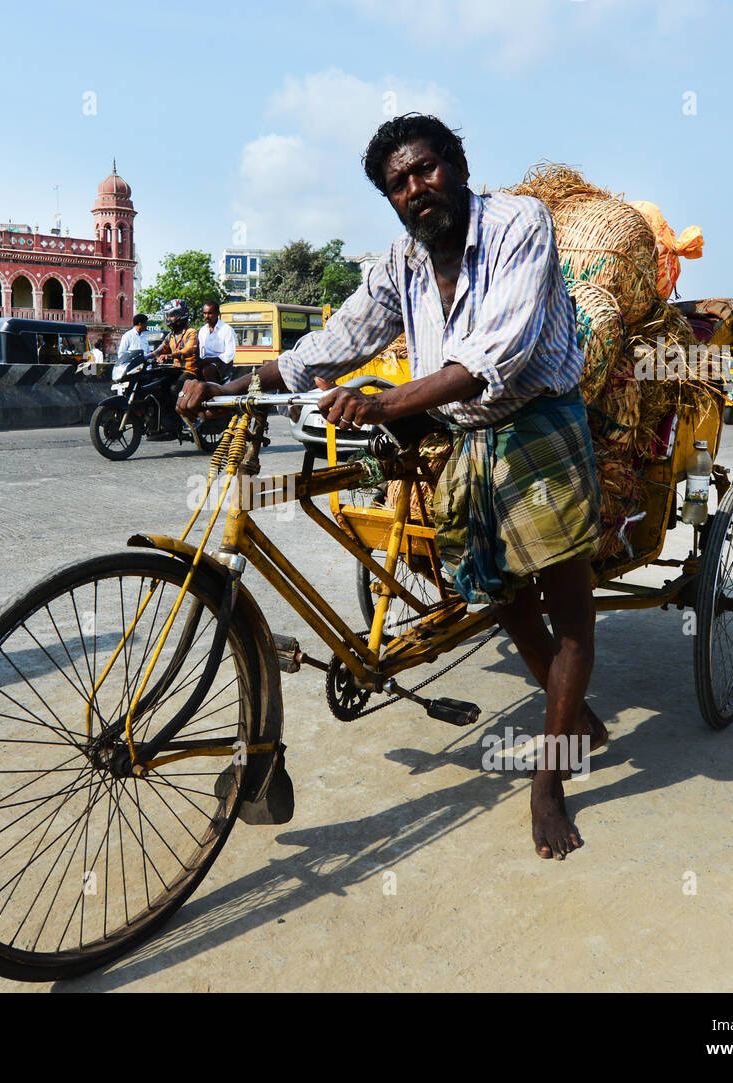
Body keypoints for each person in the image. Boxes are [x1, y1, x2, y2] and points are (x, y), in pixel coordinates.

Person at [180, 114, 605, 861]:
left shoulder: (519, 224)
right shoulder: (402, 263)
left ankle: (552, 777)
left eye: (426, 170)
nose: (416, 190)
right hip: (467, 433)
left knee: (568, 612)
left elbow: (493, 353)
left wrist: (384, 403)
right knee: (500, 594)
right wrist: (239, 380)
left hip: (537, 418)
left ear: (459, 166)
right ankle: (575, 714)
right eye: (398, 184)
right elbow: (333, 344)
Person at [197, 301, 236, 384]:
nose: (207, 316)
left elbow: (229, 355)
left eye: (210, 313)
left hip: (222, 364)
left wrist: (211, 360)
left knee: (208, 370)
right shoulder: (202, 331)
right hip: (206, 362)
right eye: (204, 313)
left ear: (218, 313)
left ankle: (216, 393)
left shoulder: (227, 329)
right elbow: (201, 353)